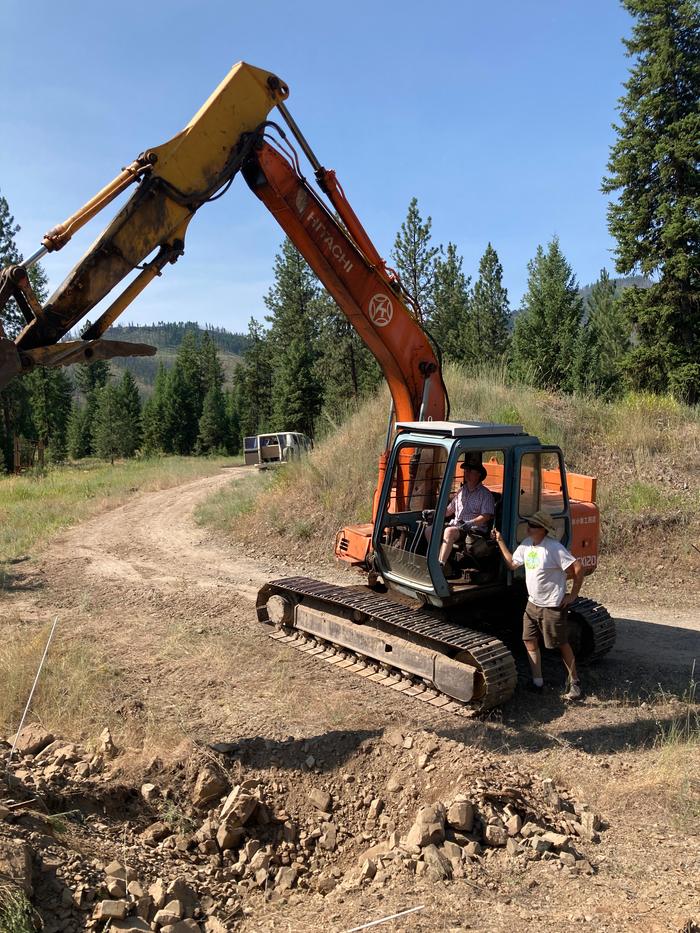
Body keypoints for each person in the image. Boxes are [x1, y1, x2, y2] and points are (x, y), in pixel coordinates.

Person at [493, 510, 585, 701]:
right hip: (532, 604)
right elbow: (512, 564)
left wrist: (572, 595)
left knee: (561, 644)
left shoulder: (553, 548)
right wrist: (500, 541)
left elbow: (577, 568)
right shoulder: (527, 545)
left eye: (533, 525)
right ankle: (537, 682)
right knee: (529, 640)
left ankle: (575, 683)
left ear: (543, 530)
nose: (529, 528)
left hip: (552, 606)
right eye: (529, 524)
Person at [425, 460, 495, 571]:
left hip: (472, 530)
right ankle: (443, 564)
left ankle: (439, 567)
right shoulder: (461, 491)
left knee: (449, 531)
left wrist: (470, 523)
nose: (466, 473)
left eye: (470, 471)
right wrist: (434, 513)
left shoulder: (485, 494)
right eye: (465, 470)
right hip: (457, 526)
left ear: (479, 474)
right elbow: (449, 511)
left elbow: (486, 516)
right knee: (429, 530)